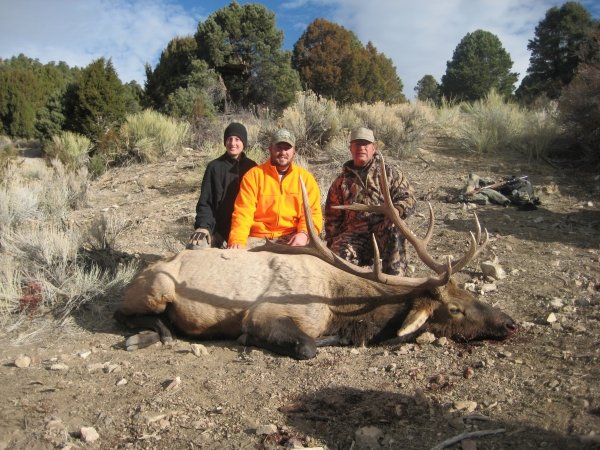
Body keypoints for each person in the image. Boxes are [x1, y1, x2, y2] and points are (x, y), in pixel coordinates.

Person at [324, 127, 416, 275]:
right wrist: (333, 243)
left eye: (366, 144)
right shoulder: (340, 182)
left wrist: (396, 211)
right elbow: (332, 217)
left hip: (383, 230)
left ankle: (395, 284)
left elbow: (408, 197)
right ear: (350, 148)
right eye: (357, 144)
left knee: (396, 227)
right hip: (354, 235)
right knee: (337, 259)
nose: (362, 148)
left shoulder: (389, 173)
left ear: (374, 148)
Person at [227, 129, 322, 249]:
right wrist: (238, 240)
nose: (283, 152)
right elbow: (243, 212)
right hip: (259, 238)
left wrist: (304, 234)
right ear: (270, 149)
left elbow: (313, 213)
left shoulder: (306, 178)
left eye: (287, 148)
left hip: (292, 238)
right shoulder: (254, 175)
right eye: (278, 147)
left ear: (294, 151)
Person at [188, 122, 257, 249]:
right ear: (225, 142)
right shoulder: (214, 167)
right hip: (217, 231)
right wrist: (203, 227)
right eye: (229, 139)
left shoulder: (252, 168)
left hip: (246, 232)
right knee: (196, 247)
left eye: (237, 139)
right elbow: (205, 202)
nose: (233, 143)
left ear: (244, 143)